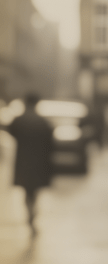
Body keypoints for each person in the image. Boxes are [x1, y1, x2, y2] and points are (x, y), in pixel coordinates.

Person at [8, 93, 53, 236]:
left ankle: (30, 215)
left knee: (27, 193)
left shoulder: (19, 120)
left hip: (23, 161)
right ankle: (33, 214)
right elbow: (50, 141)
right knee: (35, 193)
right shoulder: (42, 121)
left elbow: (11, 132)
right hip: (40, 162)